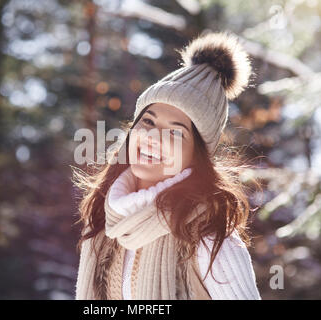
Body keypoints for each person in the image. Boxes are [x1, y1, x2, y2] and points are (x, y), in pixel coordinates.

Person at [73, 31, 261, 300]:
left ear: (195, 157)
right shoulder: (103, 227)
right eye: (148, 122)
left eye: (175, 133)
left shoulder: (207, 239)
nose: (152, 137)